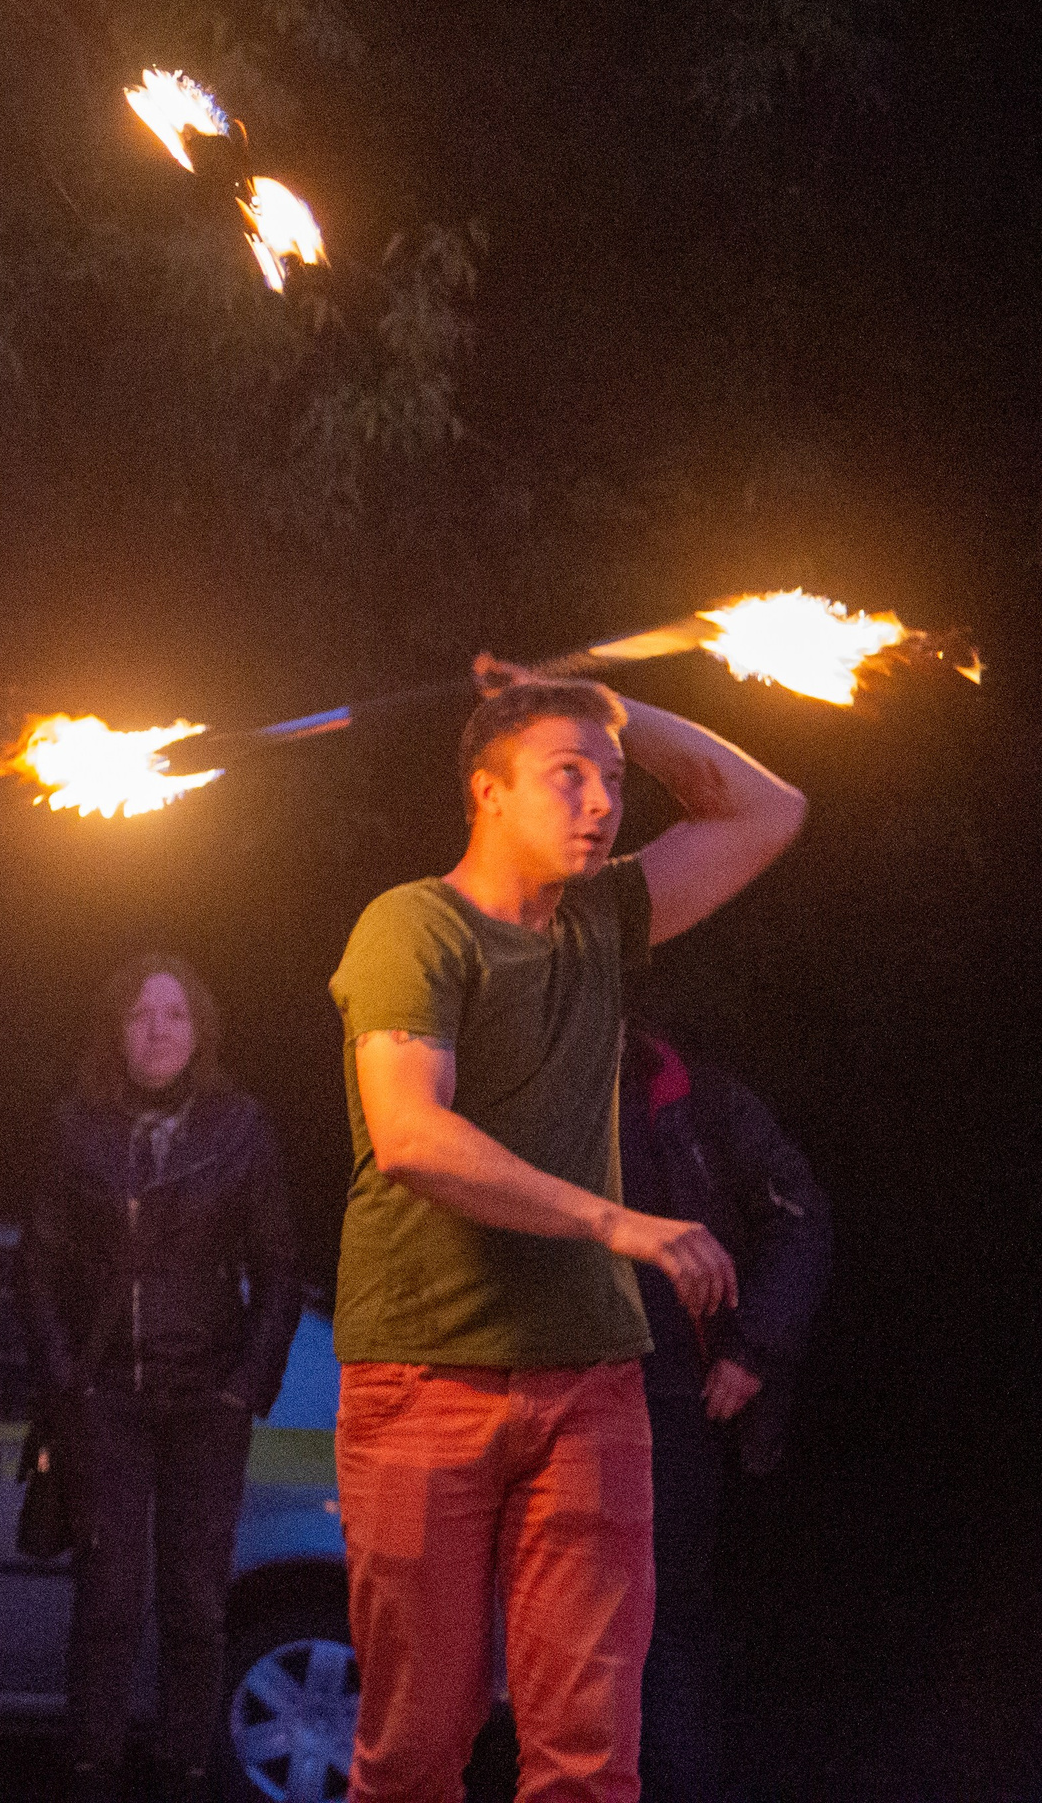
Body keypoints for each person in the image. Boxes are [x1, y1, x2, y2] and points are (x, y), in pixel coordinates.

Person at [328, 667, 808, 1803]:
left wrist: (619, 710)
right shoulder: (413, 923)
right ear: (486, 793)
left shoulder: (604, 916)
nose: (601, 800)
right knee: (415, 1750)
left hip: (591, 1378)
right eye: (566, 775)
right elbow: (409, 1135)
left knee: (590, 1757)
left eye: (612, 780)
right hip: (423, 1371)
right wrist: (613, 1218)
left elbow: (768, 809)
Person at [20, 955, 302, 1803]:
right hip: (108, 1399)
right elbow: (37, 1265)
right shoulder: (76, 1127)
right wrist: (68, 1378)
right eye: (141, 1013)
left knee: (196, 1608)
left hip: (206, 1402)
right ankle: (91, 1776)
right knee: (106, 1606)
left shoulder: (240, 1128)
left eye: (175, 1014)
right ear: (116, 1028)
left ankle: (185, 1776)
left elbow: (279, 1268)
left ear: (199, 1029)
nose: (157, 1028)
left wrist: (247, 1383)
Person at [618, 1022, 829, 1803]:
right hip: (553, 1393)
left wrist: (755, 1348)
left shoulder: (687, 1090)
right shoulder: (513, 1081)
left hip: (671, 1391)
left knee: (668, 1614)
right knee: (568, 1623)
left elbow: (799, 1214)